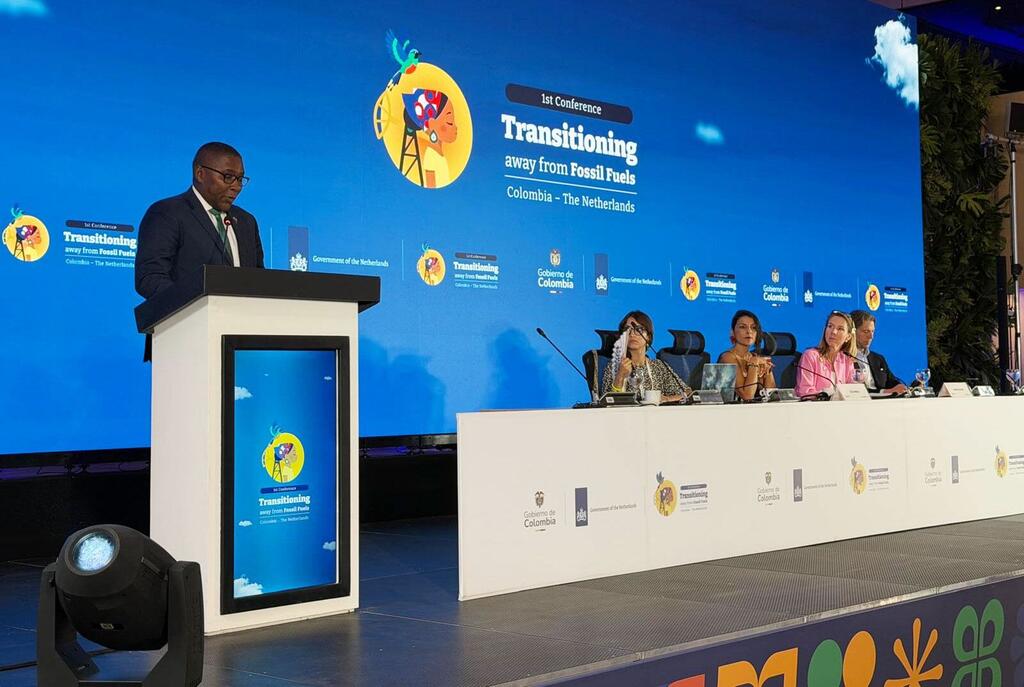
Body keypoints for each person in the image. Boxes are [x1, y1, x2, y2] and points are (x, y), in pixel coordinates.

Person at [135, 142, 265, 300]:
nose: (236, 186)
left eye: (239, 179)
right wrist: (197, 305)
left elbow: (259, 280)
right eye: (228, 177)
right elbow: (150, 278)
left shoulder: (246, 222)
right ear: (200, 174)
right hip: (189, 321)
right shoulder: (167, 213)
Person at [601, 311, 688, 403]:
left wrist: (667, 399)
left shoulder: (659, 366)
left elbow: (687, 392)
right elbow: (607, 402)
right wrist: (620, 376)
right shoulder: (614, 366)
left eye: (639, 330)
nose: (632, 334)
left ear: (648, 337)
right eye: (627, 329)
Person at [795, 311, 858, 398]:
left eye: (840, 329)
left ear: (848, 337)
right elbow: (805, 392)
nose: (833, 332)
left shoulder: (847, 360)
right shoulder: (810, 356)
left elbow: (852, 392)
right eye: (830, 326)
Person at [718, 310, 776, 401]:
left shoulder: (755, 357)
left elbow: (771, 395)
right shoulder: (727, 358)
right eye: (742, 327)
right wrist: (754, 362)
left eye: (753, 327)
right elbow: (747, 396)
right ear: (733, 332)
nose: (749, 331)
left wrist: (768, 371)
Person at [850, 310, 908, 395]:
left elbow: (892, 382)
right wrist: (884, 392)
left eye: (872, 331)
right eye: (866, 331)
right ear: (852, 332)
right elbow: (854, 391)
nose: (871, 336)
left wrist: (905, 387)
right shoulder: (843, 358)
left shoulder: (878, 359)